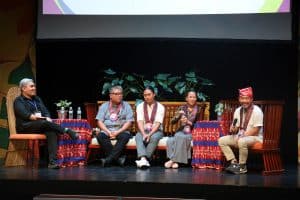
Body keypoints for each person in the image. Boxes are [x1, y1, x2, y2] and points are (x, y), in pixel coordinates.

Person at [14, 78, 79, 169]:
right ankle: (66, 130)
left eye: (34, 86)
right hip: (25, 126)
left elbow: (45, 111)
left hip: (40, 125)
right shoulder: (19, 100)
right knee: (44, 123)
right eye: (31, 86)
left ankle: (52, 162)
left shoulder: (37, 99)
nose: (34, 88)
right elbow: (25, 115)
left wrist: (47, 116)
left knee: (51, 131)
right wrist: (39, 118)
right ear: (23, 88)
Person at [218, 87, 263, 174]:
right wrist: (233, 129)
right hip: (241, 136)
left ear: (251, 99)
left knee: (242, 141)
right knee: (222, 140)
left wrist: (241, 136)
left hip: (255, 137)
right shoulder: (238, 110)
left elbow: (256, 130)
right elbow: (236, 128)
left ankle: (242, 166)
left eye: (247, 98)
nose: (244, 101)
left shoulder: (257, 111)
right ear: (239, 99)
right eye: (242, 98)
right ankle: (234, 163)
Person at [95, 85, 133, 167]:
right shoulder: (104, 106)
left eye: (121, 94)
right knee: (100, 136)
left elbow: (129, 122)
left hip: (121, 130)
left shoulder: (126, 106)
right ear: (111, 95)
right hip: (107, 130)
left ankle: (108, 160)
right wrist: (108, 132)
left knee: (124, 136)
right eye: (116, 94)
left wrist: (117, 132)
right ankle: (118, 159)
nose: (119, 96)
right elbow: (99, 121)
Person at [164, 90, 201, 169]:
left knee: (180, 136)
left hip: (193, 132)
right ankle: (175, 162)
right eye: (190, 97)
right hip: (182, 130)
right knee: (171, 140)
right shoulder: (182, 108)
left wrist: (188, 122)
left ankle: (172, 160)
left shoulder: (199, 110)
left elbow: (199, 126)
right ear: (186, 98)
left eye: (194, 97)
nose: (192, 99)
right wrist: (178, 116)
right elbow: (172, 122)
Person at [135, 86, 165, 168]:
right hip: (143, 130)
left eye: (149, 94)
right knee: (138, 136)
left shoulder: (160, 107)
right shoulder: (140, 106)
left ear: (154, 94)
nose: (147, 97)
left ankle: (144, 159)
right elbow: (140, 121)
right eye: (145, 95)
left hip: (157, 131)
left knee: (154, 137)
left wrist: (150, 134)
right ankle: (144, 159)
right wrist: (144, 134)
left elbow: (158, 123)